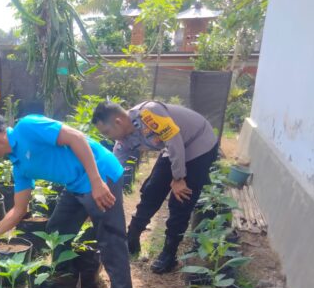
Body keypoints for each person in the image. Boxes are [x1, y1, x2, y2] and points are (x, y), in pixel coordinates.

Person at [0, 111, 134, 288]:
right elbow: (19, 210)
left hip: (100, 174)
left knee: (111, 242)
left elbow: (76, 137)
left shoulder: (27, 126)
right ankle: (69, 287)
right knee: (57, 229)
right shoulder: (18, 164)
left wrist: (96, 181)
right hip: (76, 184)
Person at [91, 100, 219, 274]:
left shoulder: (149, 113)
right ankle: (132, 237)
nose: (108, 137)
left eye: (107, 132)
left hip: (198, 144)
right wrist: (102, 190)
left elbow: (174, 141)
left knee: (181, 199)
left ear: (118, 122)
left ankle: (169, 253)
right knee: (152, 190)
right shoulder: (124, 139)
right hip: (174, 147)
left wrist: (179, 177)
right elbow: (114, 167)